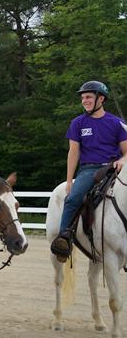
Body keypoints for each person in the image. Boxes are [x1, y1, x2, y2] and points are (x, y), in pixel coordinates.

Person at [50, 81, 127, 261]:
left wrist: (122, 160)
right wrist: (69, 181)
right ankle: (64, 239)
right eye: (83, 97)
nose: (84, 100)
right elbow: (73, 152)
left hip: (113, 168)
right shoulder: (77, 123)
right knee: (72, 199)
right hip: (89, 170)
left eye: (88, 97)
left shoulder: (117, 123)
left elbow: (126, 152)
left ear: (101, 99)